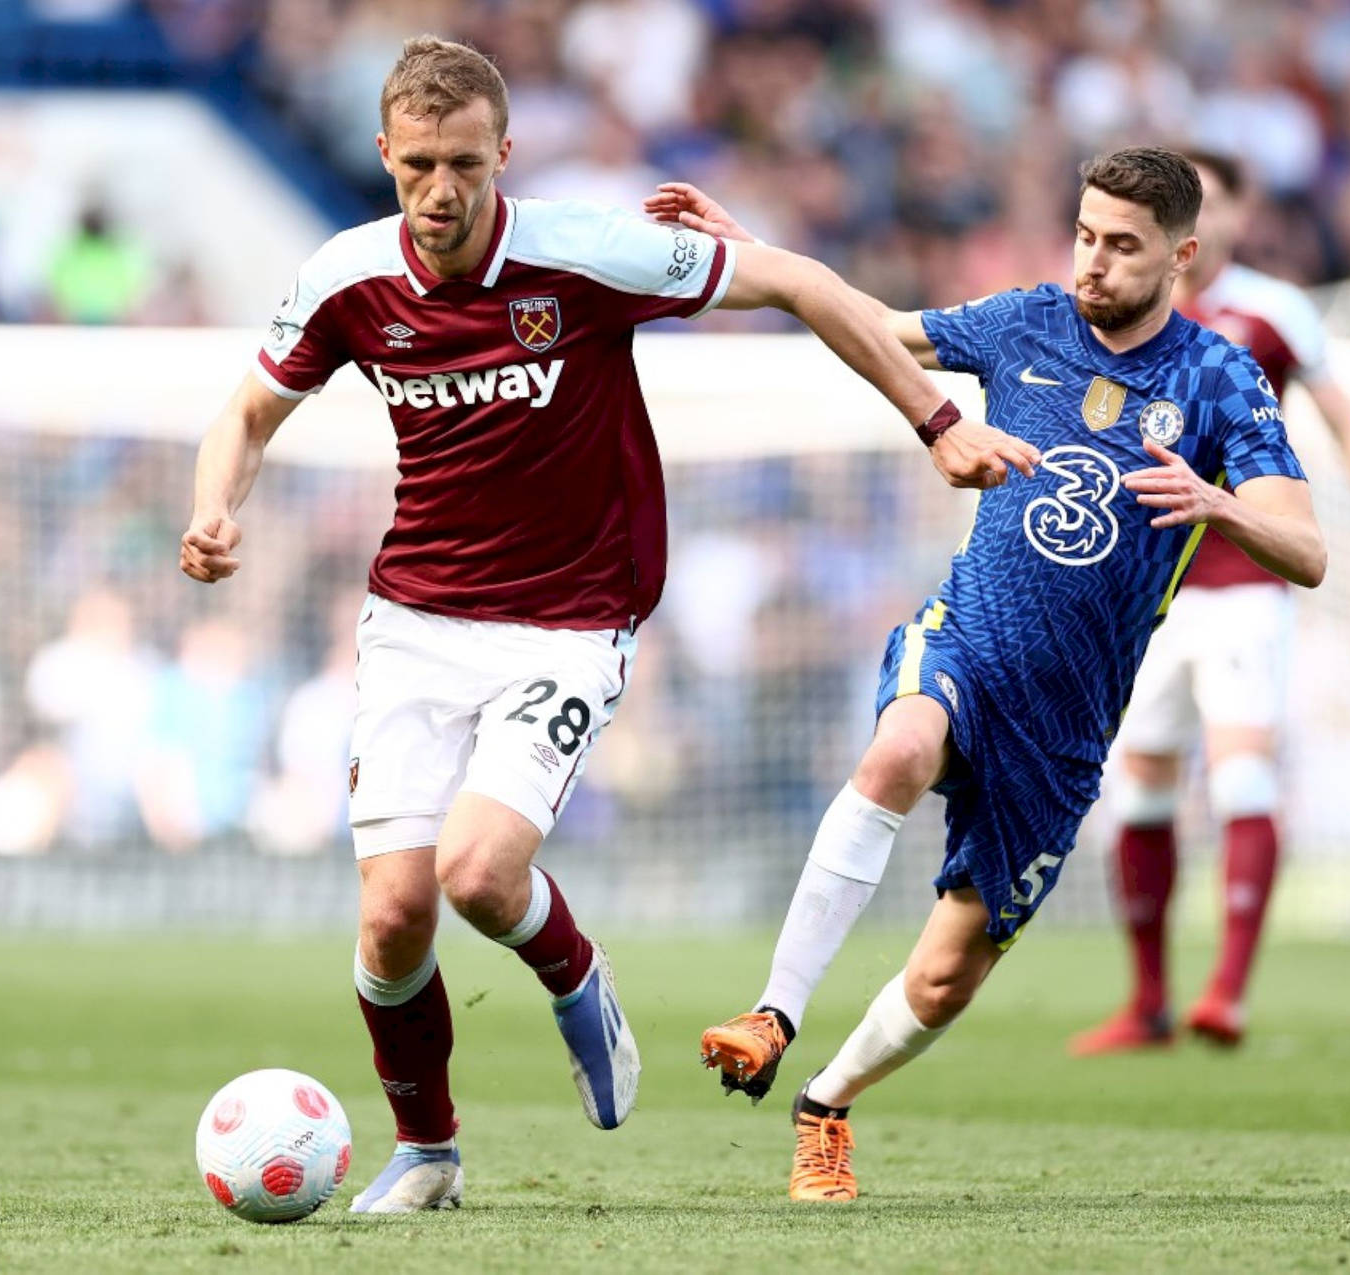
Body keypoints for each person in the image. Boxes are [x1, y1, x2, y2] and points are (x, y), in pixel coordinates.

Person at [178, 36, 1037, 1216]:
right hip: (417, 617)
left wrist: (939, 420)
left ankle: (581, 984)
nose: (442, 191)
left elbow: (799, 281)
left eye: (466, 165)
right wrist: (213, 508)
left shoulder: (581, 252)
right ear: (383, 154)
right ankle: (428, 1154)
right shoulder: (346, 278)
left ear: (504, 156)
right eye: (419, 164)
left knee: (481, 875)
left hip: (571, 616)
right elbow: (247, 410)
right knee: (391, 913)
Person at [647, 147, 1325, 1201]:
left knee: (946, 976)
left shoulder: (1219, 379)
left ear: (1183, 255)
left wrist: (1222, 503)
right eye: (1086, 235)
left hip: (1063, 732)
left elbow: (1309, 550)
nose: (1093, 262)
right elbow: (876, 325)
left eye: (1124, 246)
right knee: (900, 749)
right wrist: (761, 258)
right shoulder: (1027, 322)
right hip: (966, 642)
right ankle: (773, 1010)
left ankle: (824, 1104)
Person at [1071, 149, 1350, 1056]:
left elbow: (1348, 429)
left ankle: (1226, 991)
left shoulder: (1275, 310)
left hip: (1241, 578)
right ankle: (1148, 1001)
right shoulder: (1120, 305)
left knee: (1240, 772)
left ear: (1227, 214)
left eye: (1214, 200)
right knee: (1139, 783)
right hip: (1139, 588)